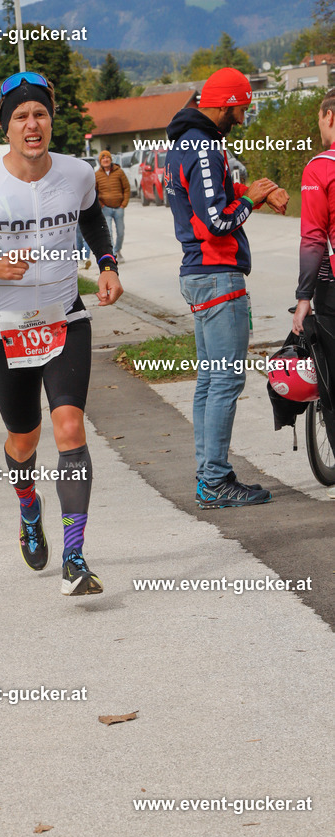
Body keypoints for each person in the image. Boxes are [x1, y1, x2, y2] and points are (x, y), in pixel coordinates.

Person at [0, 72, 123, 595]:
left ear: (50, 122)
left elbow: (92, 222)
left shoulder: (77, 173)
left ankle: (75, 558)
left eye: (39, 113)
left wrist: (107, 265)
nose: (31, 124)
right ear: (5, 127)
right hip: (7, 331)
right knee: (24, 439)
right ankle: (28, 505)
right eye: (20, 116)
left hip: (65, 321)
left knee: (70, 430)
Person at [165, 66, 289, 508]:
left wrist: (252, 191)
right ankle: (215, 481)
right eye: (241, 108)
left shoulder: (185, 143)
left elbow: (209, 196)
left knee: (210, 380)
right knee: (226, 381)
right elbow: (217, 220)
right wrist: (251, 200)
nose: (243, 117)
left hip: (200, 275)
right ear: (227, 104)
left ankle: (210, 476)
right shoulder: (204, 147)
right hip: (217, 274)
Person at [292, 87, 335, 497]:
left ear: (330, 117)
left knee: (332, 383)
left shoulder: (320, 167)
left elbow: (313, 239)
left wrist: (304, 297)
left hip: (332, 288)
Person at [95, 151, 130, 261]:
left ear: (111, 159)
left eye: (107, 158)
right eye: (103, 158)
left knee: (120, 232)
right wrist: (101, 204)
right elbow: (94, 192)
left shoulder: (119, 172)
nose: (105, 160)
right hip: (105, 209)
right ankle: (113, 254)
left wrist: (124, 204)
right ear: (100, 161)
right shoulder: (97, 175)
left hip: (119, 207)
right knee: (108, 232)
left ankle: (118, 249)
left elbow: (127, 188)